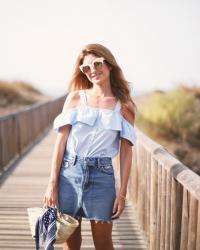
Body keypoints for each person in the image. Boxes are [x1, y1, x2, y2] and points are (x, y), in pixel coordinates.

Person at [43, 43, 137, 250]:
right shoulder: (75, 98)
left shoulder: (125, 106)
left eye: (97, 63)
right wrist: (52, 183)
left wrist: (122, 193)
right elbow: (60, 143)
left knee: (103, 244)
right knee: (70, 243)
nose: (93, 70)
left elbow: (126, 152)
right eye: (86, 68)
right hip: (69, 175)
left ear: (109, 64)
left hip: (102, 178)